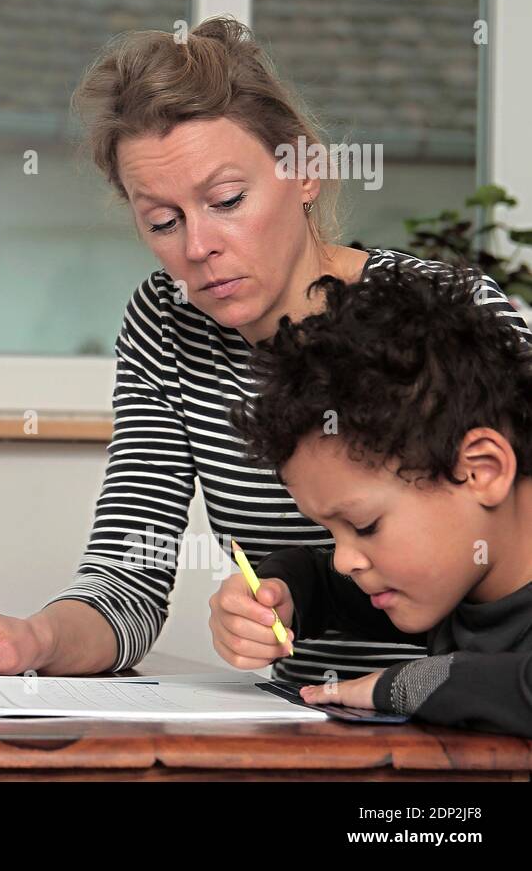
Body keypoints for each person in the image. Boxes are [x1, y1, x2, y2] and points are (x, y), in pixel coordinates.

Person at [0, 16, 530, 690]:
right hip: (296, 719)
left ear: (305, 172)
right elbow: (130, 579)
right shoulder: (166, 324)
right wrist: (31, 638)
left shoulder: (444, 313)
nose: (197, 248)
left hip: (467, 720)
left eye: (226, 200)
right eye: (162, 221)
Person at [211, 262, 532, 735]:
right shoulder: (457, 579)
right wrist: (282, 593)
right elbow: (328, 584)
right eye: (329, 530)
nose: (344, 560)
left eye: (364, 526)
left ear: (481, 469)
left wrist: (404, 685)